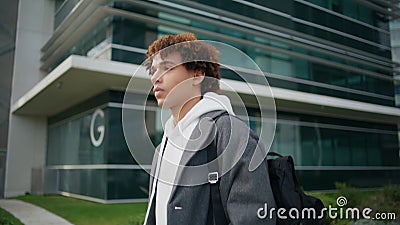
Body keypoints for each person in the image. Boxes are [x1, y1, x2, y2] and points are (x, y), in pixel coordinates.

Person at [143, 33, 276, 225]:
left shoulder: (231, 134)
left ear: (197, 75)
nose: (155, 78)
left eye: (166, 68)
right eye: (153, 71)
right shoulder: (163, 146)